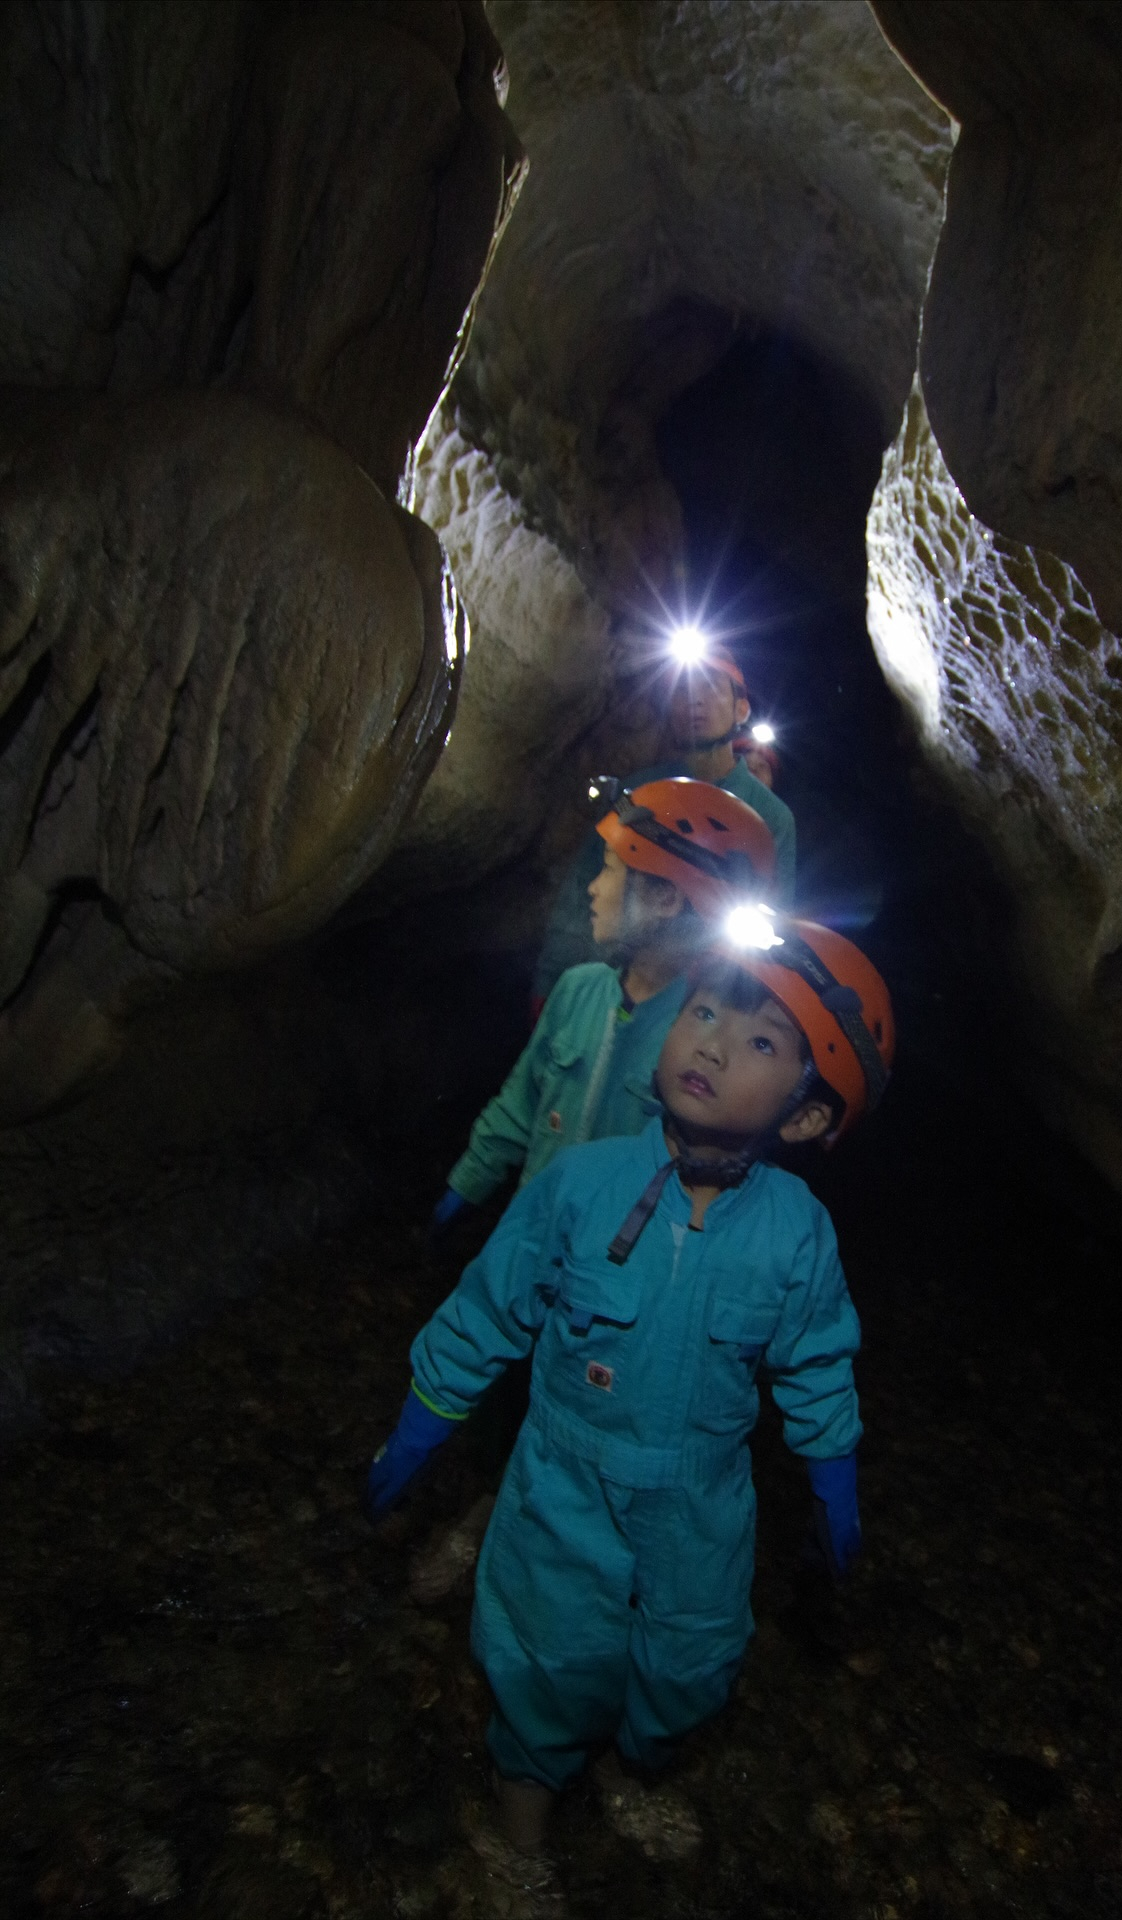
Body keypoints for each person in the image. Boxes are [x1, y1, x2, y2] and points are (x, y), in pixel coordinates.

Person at [367, 917, 895, 1856]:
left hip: (701, 1502)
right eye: (703, 1012)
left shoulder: (797, 1231)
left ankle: (628, 1764)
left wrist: (833, 1474)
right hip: (566, 1481)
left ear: (808, 1115)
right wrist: (421, 1424)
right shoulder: (582, 1184)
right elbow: (486, 1312)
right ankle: (520, 1828)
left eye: (762, 1041)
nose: (712, 1042)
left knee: (688, 1663)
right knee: (549, 1655)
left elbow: (816, 1358)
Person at [431, 776, 778, 1242]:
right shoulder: (578, 990)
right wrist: (469, 1183)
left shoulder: (701, 1040)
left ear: (665, 898)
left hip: (614, 1272)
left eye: (610, 869)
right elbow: (521, 1104)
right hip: (532, 1239)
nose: (593, 889)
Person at [530, 642, 796, 1001]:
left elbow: (772, 923)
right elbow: (585, 885)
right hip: (612, 988)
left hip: (703, 1000)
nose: (694, 700)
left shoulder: (770, 816)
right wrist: (550, 984)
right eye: (682, 690)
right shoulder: (639, 791)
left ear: (741, 709)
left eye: (711, 686)